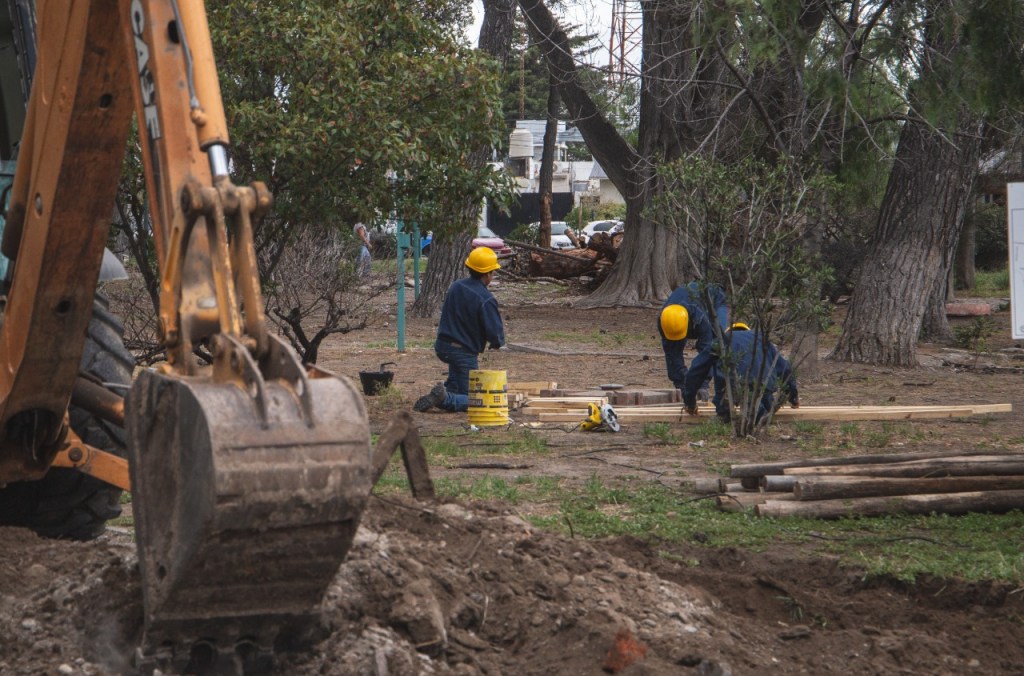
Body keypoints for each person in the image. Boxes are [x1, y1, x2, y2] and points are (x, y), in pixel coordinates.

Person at [414, 247, 506, 413]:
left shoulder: (456, 286)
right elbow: (494, 330)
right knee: (475, 399)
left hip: (443, 346)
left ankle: (444, 392)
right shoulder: (486, 298)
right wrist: (497, 342)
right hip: (463, 352)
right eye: (493, 272)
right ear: (488, 275)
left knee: (457, 381)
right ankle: (444, 399)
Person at [684, 322, 799, 422]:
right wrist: (793, 398)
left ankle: (725, 414)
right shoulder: (761, 339)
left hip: (731, 387)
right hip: (763, 387)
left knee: (724, 383)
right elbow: (785, 368)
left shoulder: (720, 341)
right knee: (763, 407)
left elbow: (695, 371)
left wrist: (690, 403)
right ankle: (760, 414)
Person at [658, 281, 728, 403]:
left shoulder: (700, 318)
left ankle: (722, 391)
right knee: (672, 346)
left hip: (716, 301)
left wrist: (702, 384)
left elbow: (707, 351)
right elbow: (671, 353)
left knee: (719, 338)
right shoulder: (664, 318)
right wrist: (682, 384)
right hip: (689, 309)